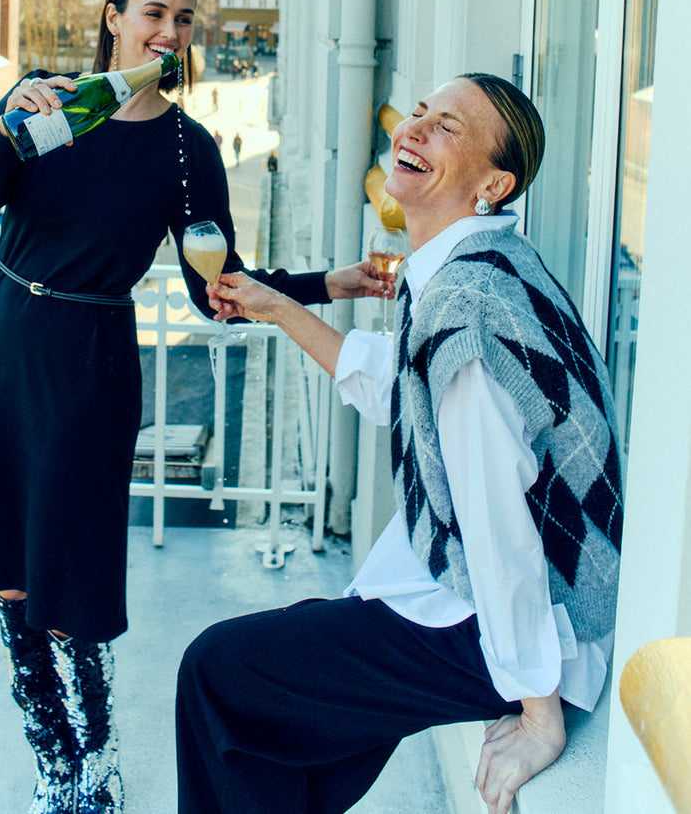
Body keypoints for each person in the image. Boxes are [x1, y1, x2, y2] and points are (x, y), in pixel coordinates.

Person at [0, 0, 383, 814]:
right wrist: (4, 124)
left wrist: (330, 283)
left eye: (184, 20)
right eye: (153, 13)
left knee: (72, 571)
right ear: (113, 18)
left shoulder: (186, 147)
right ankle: (51, 759)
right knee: (11, 573)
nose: (169, 33)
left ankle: (98, 761)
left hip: (88, 361)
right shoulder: (48, 101)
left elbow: (218, 290)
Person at [176, 73, 624, 814]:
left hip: (523, 620)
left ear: (493, 181)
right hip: (499, 593)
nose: (412, 131)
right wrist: (277, 306)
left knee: (221, 675)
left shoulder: (465, 305)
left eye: (446, 126)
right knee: (286, 736)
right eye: (418, 113)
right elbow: (402, 386)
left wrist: (538, 714)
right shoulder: (481, 264)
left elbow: (497, 523)